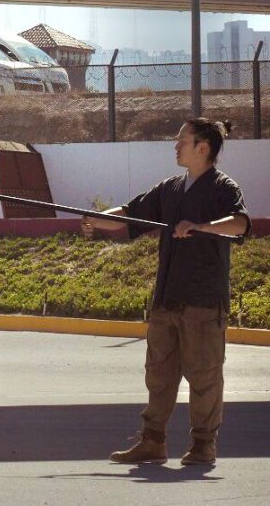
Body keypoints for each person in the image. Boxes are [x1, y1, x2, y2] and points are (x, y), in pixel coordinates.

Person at [82, 117, 250, 467]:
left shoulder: (223, 188)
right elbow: (130, 214)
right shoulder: (170, 188)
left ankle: (203, 445)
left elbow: (240, 223)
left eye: (182, 141)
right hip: (166, 298)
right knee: (159, 374)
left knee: (204, 375)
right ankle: (152, 441)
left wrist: (200, 227)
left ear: (202, 148)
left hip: (204, 300)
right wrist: (97, 218)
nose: (175, 146)